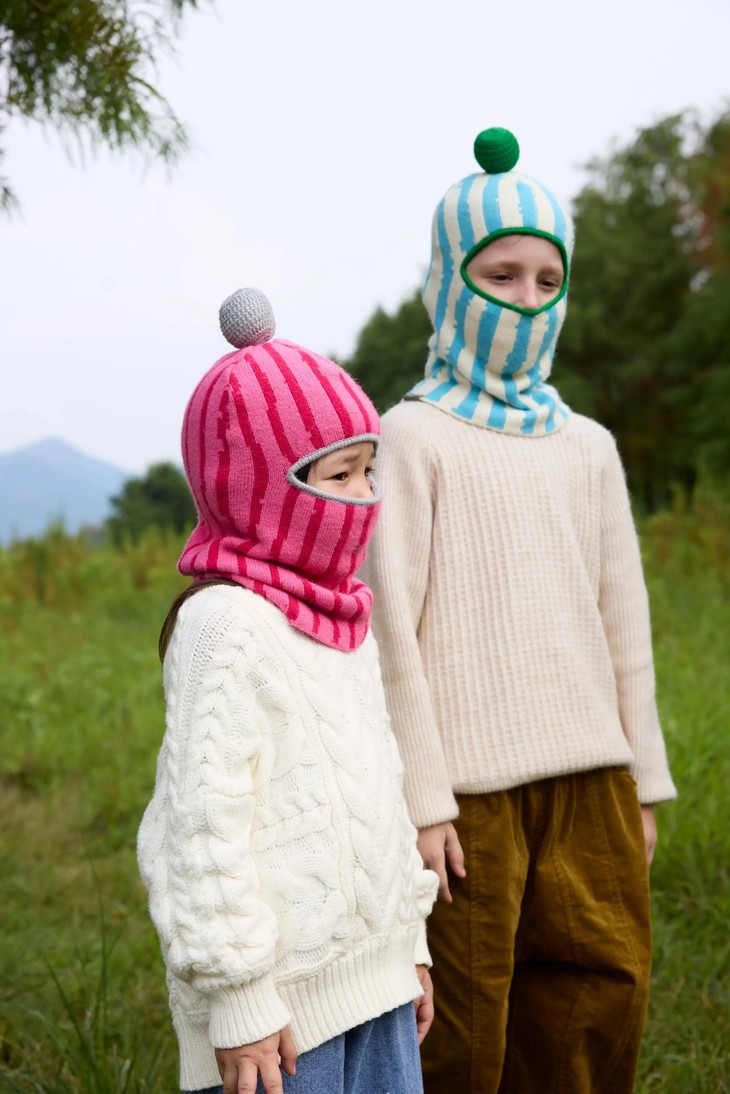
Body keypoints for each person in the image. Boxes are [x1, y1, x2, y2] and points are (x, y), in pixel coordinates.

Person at [363, 128, 677, 1093]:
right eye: (500, 275)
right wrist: (423, 801)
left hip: (593, 781)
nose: (527, 299)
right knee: (464, 1029)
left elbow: (623, 620)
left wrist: (643, 781)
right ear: (449, 283)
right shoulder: (410, 436)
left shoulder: (588, 446)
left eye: (549, 280)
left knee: (595, 1000)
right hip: (470, 804)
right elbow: (390, 633)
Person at [137, 287, 438, 1094]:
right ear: (259, 489)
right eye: (341, 474)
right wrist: (239, 998)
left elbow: (379, 789)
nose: (365, 495)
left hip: (377, 985)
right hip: (281, 1023)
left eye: (369, 469)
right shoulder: (225, 624)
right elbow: (198, 828)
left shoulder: (346, 615)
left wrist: (408, 945)